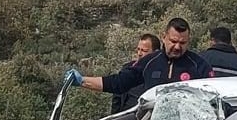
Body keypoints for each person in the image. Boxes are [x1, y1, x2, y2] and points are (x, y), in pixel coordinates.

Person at [67, 17, 214, 98]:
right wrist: (82, 81)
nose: (177, 47)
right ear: (164, 37)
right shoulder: (149, 62)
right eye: (173, 41)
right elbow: (119, 83)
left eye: (183, 43)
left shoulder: (199, 65)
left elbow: (214, 96)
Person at [112, 33, 162, 113]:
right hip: (124, 119)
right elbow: (116, 98)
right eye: (138, 49)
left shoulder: (161, 73)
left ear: (155, 52)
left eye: (144, 51)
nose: (139, 53)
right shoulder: (127, 69)